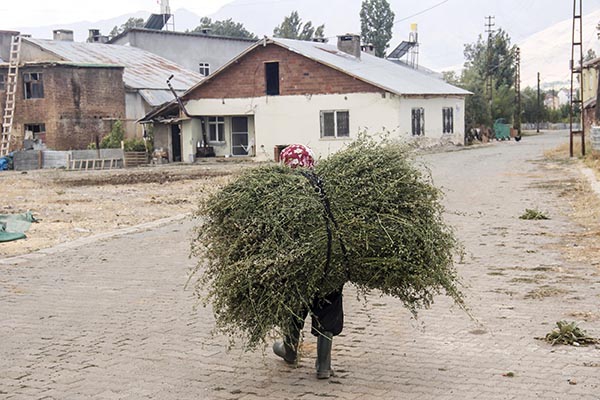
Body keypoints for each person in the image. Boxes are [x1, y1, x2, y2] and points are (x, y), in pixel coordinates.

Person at [273, 144, 345, 380]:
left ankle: (290, 351)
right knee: (329, 306)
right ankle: (323, 366)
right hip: (330, 261)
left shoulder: (281, 191)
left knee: (294, 305)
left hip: (299, 264)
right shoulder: (329, 186)